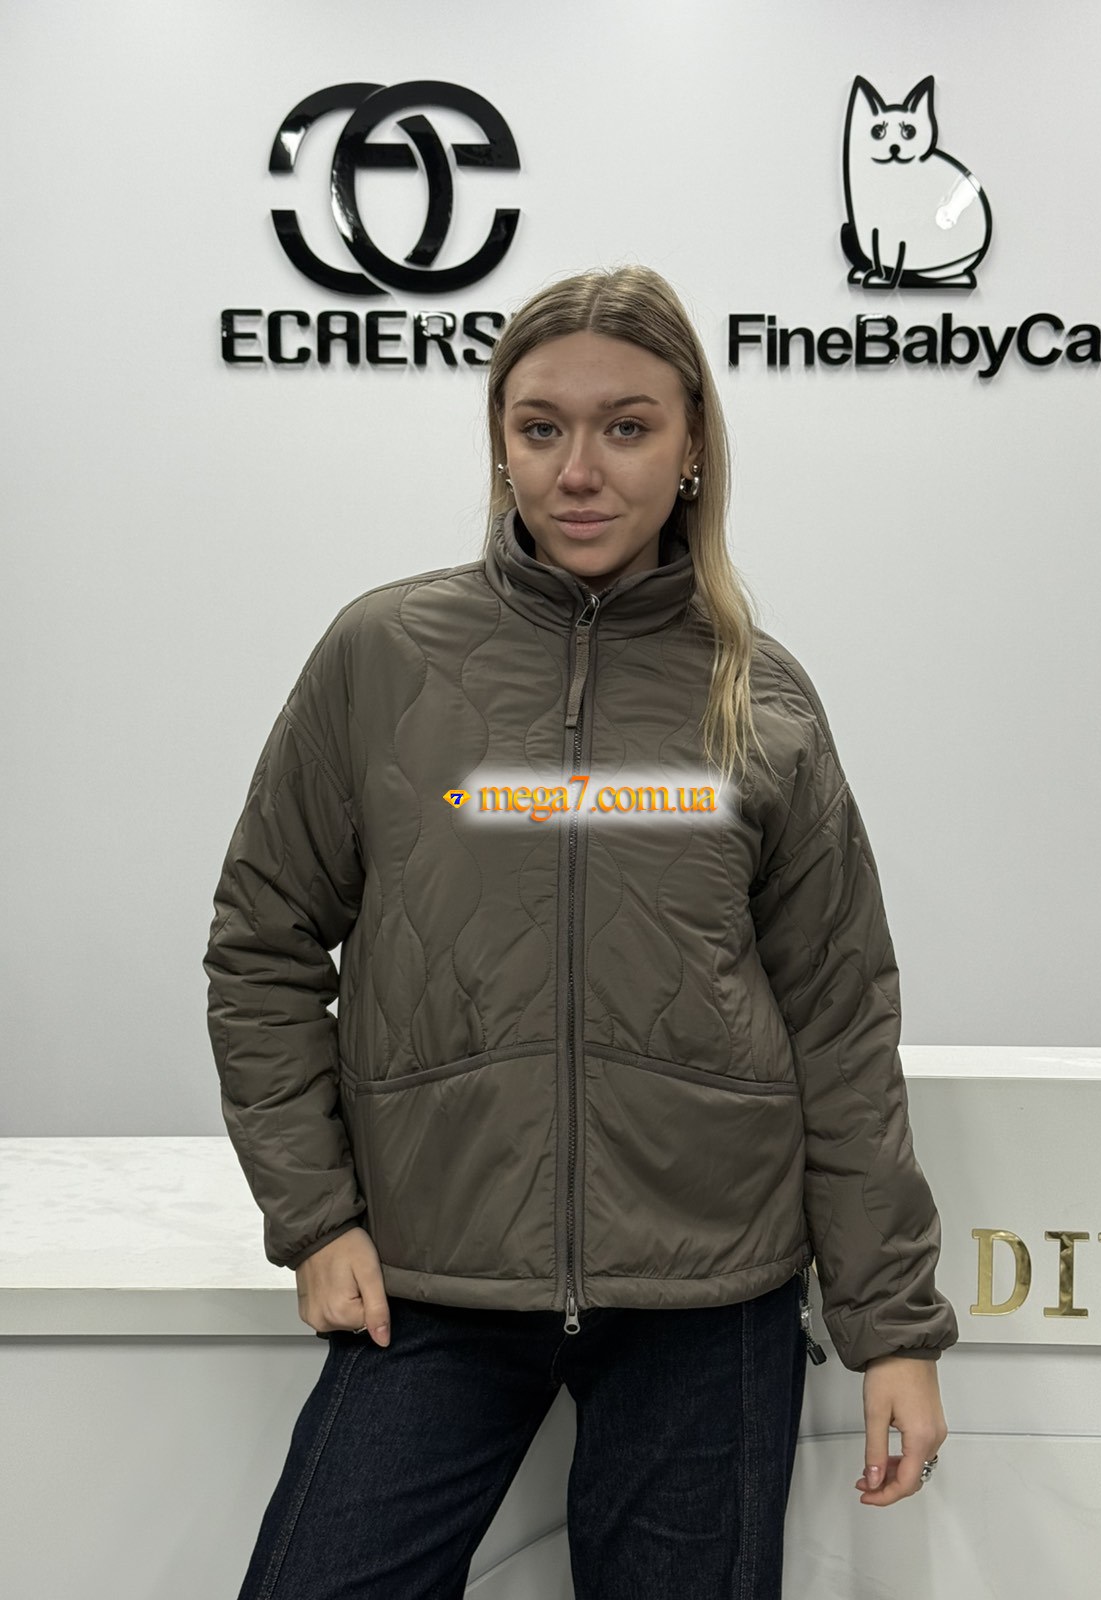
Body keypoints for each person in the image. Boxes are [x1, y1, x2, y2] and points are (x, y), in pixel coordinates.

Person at [204, 263, 957, 1599]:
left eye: (627, 427)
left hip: (709, 1297)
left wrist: (891, 1326)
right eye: (541, 427)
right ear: (500, 442)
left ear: (691, 447)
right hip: (433, 1275)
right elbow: (263, 944)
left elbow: (839, 1019)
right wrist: (316, 1218)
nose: (580, 470)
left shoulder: (760, 696)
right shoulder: (384, 656)